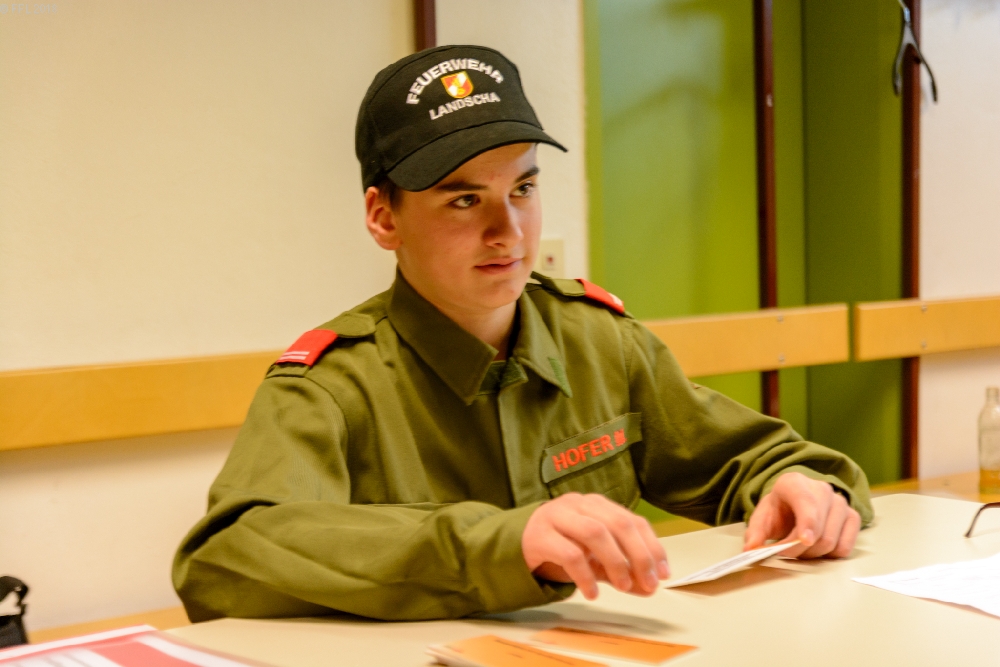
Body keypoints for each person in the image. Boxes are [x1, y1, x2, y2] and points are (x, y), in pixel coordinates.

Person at [173, 45, 873, 623]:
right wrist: (502, 543)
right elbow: (226, 557)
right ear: (384, 218)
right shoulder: (332, 384)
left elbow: (748, 459)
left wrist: (798, 486)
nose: (507, 231)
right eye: (464, 199)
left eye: (523, 190)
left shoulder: (598, 343)